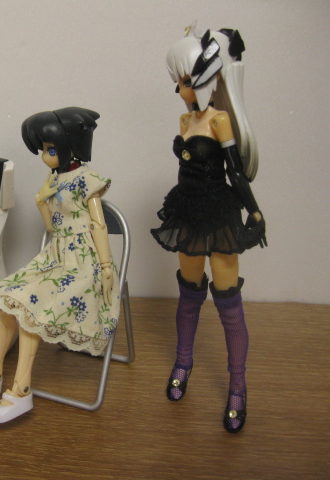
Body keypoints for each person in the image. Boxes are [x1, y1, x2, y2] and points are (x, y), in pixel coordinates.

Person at [0, 107, 119, 423]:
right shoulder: (54, 178)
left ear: (71, 145)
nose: (46, 157)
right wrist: (40, 200)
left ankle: (21, 389)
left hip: (83, 260)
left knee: (30, 307)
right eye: (44, 150)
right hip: (55, 255)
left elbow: (98, 225)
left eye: (50, 149)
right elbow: (52, 227)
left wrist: (105, 266)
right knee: (8, 293)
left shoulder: (87, 180)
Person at [150, 27, 266, 433]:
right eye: (177, 82)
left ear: (203, 77)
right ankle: (183, 362)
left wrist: (254, 211)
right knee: (189, 296)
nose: (179, 90)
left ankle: (238, 385)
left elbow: (236, 172)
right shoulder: (187, 118)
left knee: (228, 305)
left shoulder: (220, 120)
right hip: (188, 212)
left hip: (218, 215)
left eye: (184, 81)